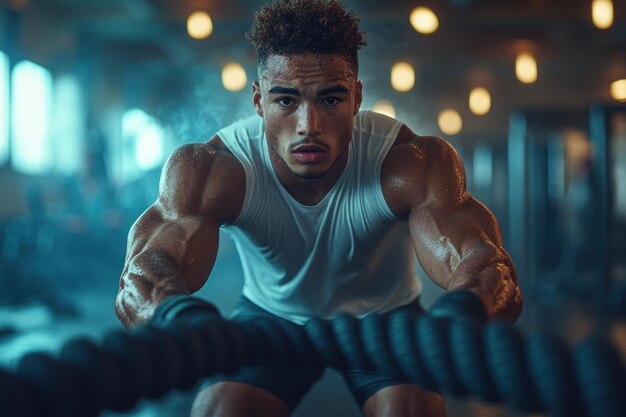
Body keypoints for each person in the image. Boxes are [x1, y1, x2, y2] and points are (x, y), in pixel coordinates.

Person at [115, 1, 522, 416]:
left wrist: (462, 313)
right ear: (258, 101)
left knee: (414, 411)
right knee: (218, 411)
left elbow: (488, 266)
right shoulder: (216, 170)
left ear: (357, 97)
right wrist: (175, 316)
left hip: (383, 320)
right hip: (271, 321)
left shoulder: (408, 163)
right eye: (286, 101)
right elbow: (141, 276)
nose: (309, 124)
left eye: (330, 99)